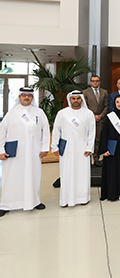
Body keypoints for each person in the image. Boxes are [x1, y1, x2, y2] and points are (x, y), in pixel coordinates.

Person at [0, 88, 50, 217]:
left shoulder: (39, 112)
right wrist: (1, 150)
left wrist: (45, 148)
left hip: (34, 151)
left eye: (29, 95)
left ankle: (34, 201)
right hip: (14, 152)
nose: (26, 97)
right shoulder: (12, 113)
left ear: (32, 97)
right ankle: (6, 204)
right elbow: (1, 133)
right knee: (11, 177)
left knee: (33, 175)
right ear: (19, 97)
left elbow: (45, 130)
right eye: (24, 95)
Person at [52, 90, 96, 207]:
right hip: (66, 148)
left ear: (81, 99)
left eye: (78, 98)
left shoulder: (89, 113)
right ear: (69, 99)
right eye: (73, 98)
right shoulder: (62, 113)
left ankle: (83, 198)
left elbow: (92, 133)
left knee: (82, 173)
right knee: (66, 172)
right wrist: (54, 146)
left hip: (83, 149)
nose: (76, 101)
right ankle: (66, 199)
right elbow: (57, 130)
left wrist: (89, 147)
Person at [82, 74, 109, 167]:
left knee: (98, 140)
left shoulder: (104, 92)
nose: (95, 82)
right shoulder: (85, 92)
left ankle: (96, 158)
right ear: (90, 82)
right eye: (93, 81)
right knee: (88, 139)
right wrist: (92, 116)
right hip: (88, 120)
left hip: (100, 120)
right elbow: (84, 106)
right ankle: (88, 159)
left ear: (99, 82)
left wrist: (100, 116)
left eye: (97, 81)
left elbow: (106, 106)